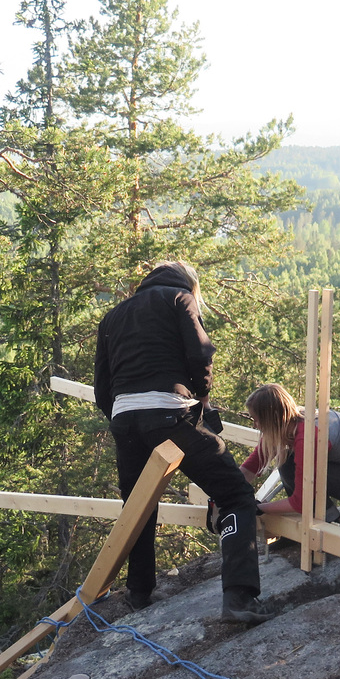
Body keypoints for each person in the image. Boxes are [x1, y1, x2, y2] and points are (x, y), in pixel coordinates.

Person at [93, 260, 274, 624]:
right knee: (235, 494)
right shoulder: (180, 298)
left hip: (124, 419)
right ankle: (239, 597)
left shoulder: (112, 316)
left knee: (139, 506)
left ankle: (139, 592)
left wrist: (125, 417)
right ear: (191, 284)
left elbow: (102, 386)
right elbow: (200, 352)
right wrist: (202, 397)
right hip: (169, 412)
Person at [240, 383, 340, 519]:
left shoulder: (308, 435)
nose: (255, 425)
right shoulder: (290, 419)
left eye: (257, 420)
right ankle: (321, 520)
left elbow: (301, 501)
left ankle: (332, 521)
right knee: (287, 463)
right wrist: (229, 494)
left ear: (272, 419)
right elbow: (251, 467)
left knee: (291, 464)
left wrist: (259, 508)